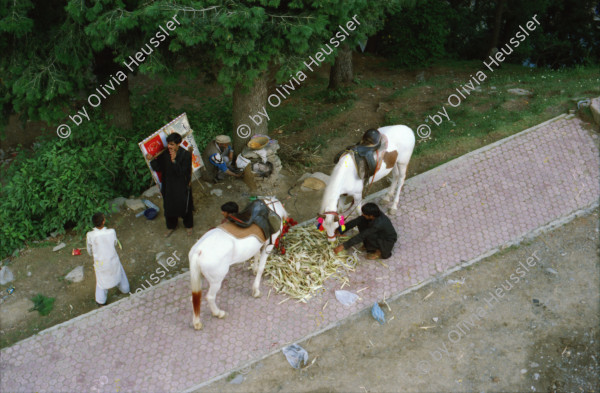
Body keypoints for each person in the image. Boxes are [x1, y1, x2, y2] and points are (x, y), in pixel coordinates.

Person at [146, 132, 194, 237]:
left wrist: (174, 161)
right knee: (169, 207)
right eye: (168, 144)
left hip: (181, 185)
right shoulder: (165, 154)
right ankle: (171, 226)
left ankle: (188, 225)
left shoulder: (185, 155)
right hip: (168, 185)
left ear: (178, 144)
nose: (169, 146)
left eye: (172, 144)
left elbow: (183, 172)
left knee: (185, 205)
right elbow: (158, 168)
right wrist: (152, 160)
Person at [86, 213, 130, 306]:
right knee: (119, 273)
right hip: (112, 260)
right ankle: (125, 289)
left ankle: (101, 301)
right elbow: (114, 243)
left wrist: (93, 254)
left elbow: (89, 250)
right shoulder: (111, 232)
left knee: (101, 281)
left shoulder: (90, 235)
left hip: (100, 263)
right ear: (103, 221)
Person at [333, 203, 398, 260]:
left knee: (368, 235)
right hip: (378, 231)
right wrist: (340, 230)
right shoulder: (375, 214)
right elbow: (355, 221)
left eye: (365, 214)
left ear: (371, 215)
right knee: (360, 220)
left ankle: (378, 252)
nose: (363, 215)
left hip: (387, 240)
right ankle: (368, 245)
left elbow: (362, 235)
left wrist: (343, 246)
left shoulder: (378, 224)